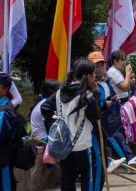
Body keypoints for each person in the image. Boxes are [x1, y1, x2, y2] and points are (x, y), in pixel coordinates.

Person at [41, 59, 104, 191]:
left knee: (68, 178)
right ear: (88, 76)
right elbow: (95, 117)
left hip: (64, 144)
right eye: (93, 74)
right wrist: (96, 94)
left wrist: (55, 124)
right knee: (88, 176)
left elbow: (45, 107)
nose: (95, 77)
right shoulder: (87, 96)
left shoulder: (59, 92)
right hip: (82, 144)